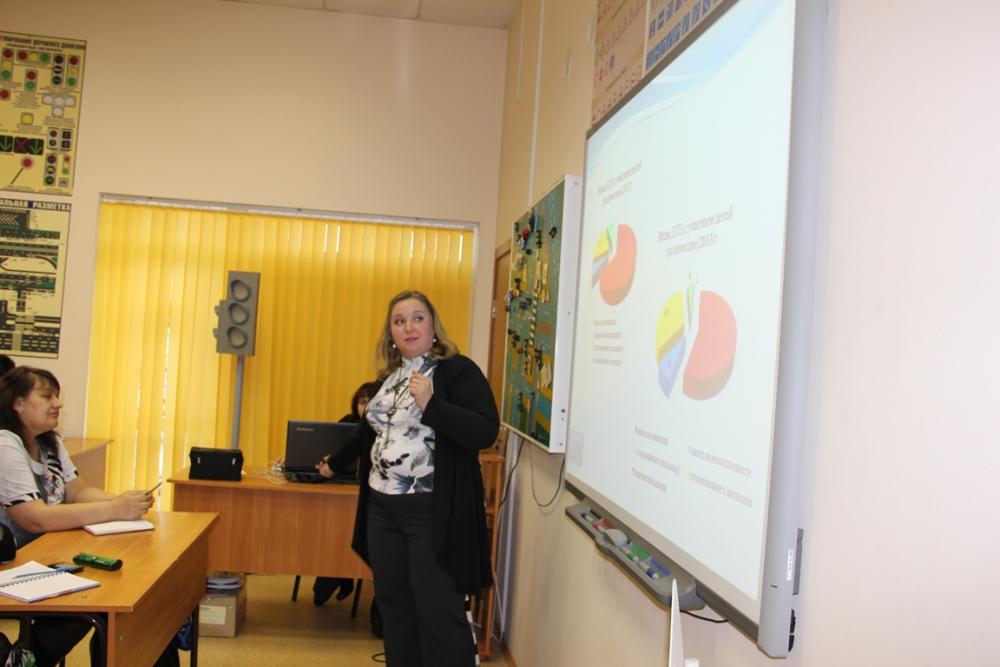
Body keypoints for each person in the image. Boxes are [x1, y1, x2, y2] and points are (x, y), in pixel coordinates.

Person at [318, 290, 499, 667]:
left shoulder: (456, 371)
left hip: (430, 512)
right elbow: (368, 432)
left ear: (433, 327)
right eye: (399, 321)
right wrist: (334, 464)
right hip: (382, 510)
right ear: (391, 334)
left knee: (437, 609)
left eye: (418, 318)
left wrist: (432, 405)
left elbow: (485, 430)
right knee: (394, 607)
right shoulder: (389, 378)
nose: (408, 327)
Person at [0, 367, 156, 667]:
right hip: (16, 562)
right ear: (18, 403)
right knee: (91, 603)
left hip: (50, 553)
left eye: (57, 396)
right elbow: (34, 518)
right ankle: (22, 660)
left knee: (110, 593)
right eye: (47, 396)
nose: (57, 403)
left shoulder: (49, 442)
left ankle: (27, 657)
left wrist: (125, 501)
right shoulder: (5, 444)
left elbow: (77, 491)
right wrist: (115, 509)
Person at [312, 380, 380, 606]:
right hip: (341, 490)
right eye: (362, 402)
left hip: (369, 491)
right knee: (332, 531)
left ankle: (341, 577)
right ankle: (337, 576)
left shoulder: (383, 427)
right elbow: (333, 454)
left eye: (369, 401)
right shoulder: (346, 424)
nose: (365, 406)